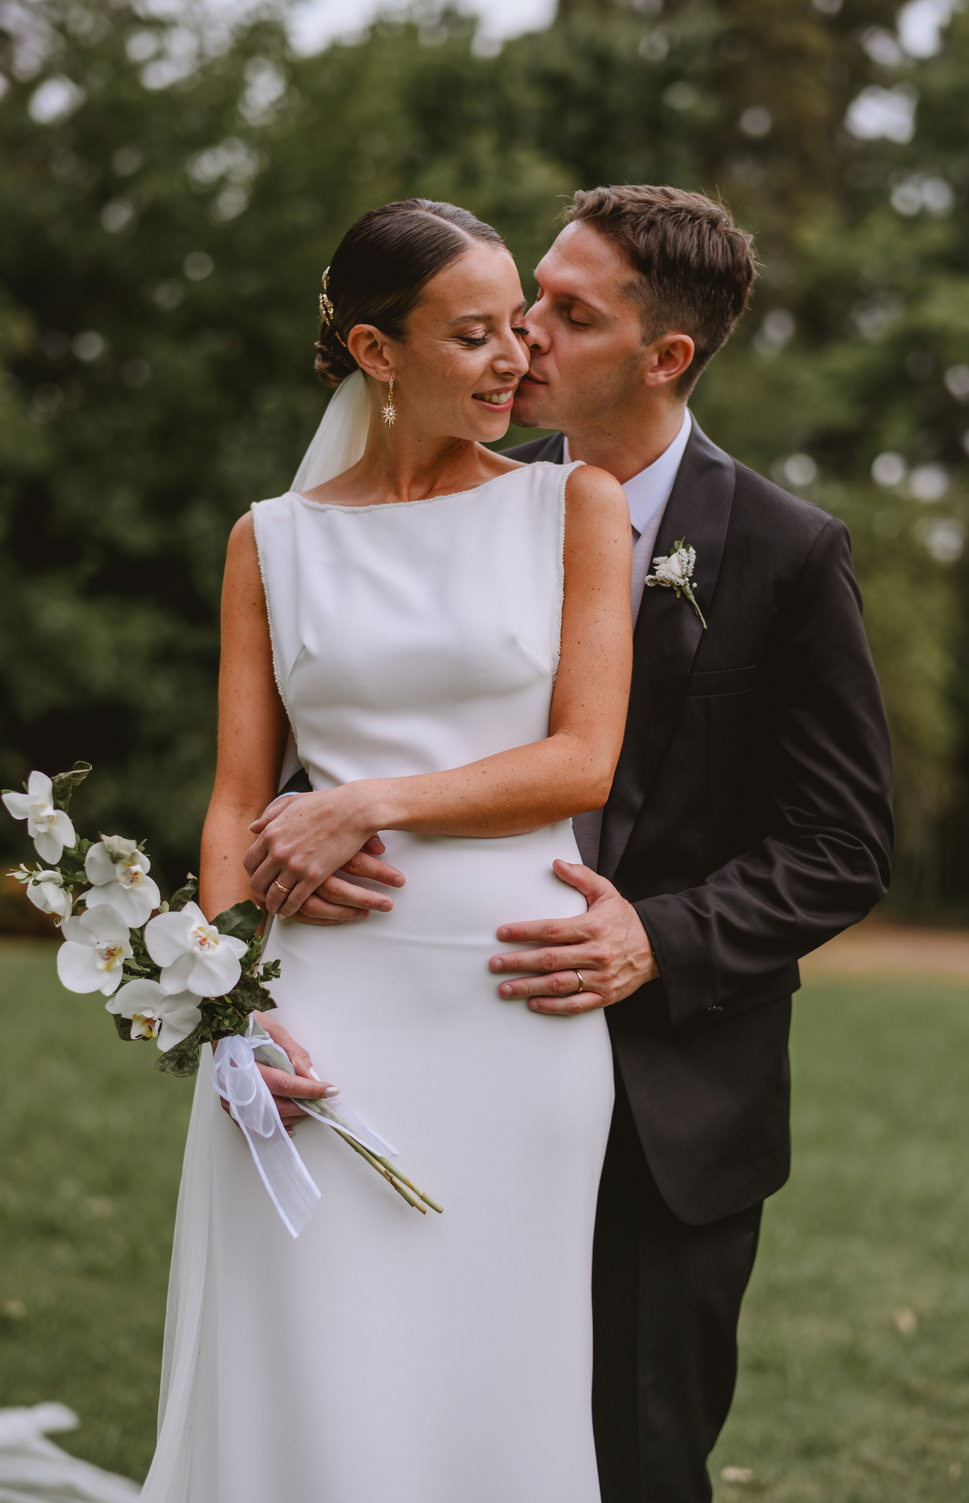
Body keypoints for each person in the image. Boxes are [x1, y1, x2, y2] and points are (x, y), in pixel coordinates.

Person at [140, 199, 633, 1503]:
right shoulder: (273, 542)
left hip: (512, 1002)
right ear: (375, 348)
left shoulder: (572, 507)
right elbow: (237, 798)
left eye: (518, 321)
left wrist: (367, 802)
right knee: (310, 1360)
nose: (517, 356)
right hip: (320, 1011)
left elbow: (582, 760)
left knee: (492, 1373)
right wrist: (231, 1016)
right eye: (473, 333)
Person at [482, 185, 894, 1502]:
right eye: (532, 292)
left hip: (671, 1115)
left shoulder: (784, 553)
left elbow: (842, 841)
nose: (523, 330)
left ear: (668, 356)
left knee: (637, 1463)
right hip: (458, 1068)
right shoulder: (463, 511)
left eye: (569, 311)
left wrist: (653, 937)